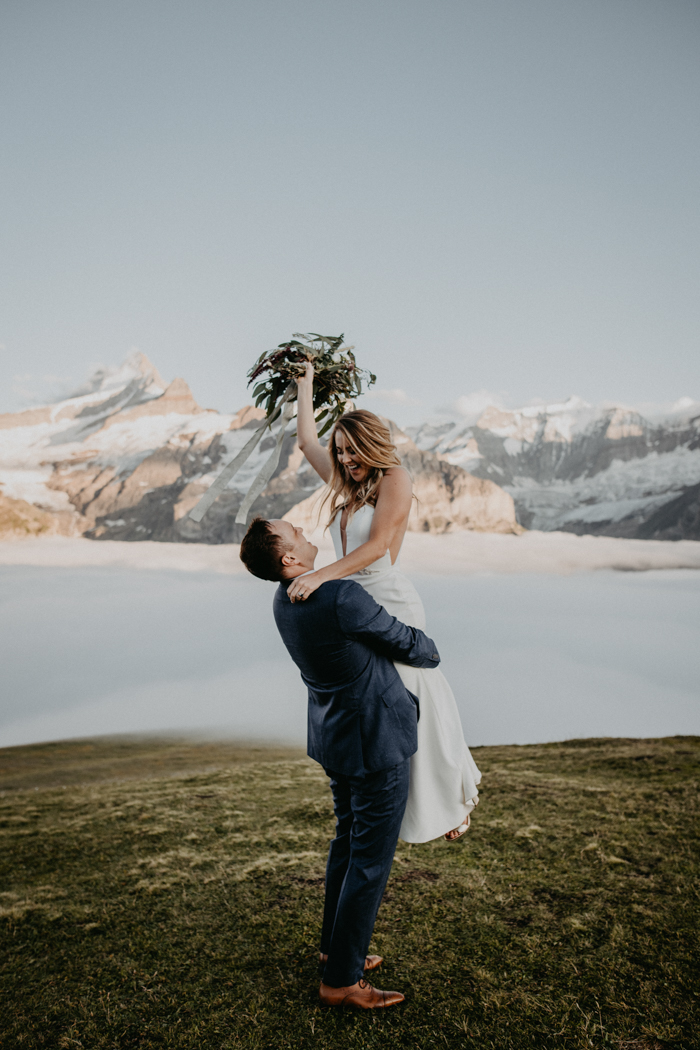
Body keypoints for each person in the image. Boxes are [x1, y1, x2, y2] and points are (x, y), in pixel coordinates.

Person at [239, 516, 442, 1008]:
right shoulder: (339, 597)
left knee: (348, 844)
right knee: (370, 860)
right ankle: (342, 982)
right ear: (289, 559)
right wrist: (429, 646)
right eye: (298, 535)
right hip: (375, 740)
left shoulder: (284, 599)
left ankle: (337, 951)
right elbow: (411, 646)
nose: (310, 536)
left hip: (335, 738)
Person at [286, 363, 481, 843]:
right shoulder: (349, 485)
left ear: (373, 445)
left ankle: (453, 803)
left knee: (416, 702)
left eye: (353, 450)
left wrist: (319, 576)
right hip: (353, 603)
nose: (346, 459)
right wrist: (305, 386)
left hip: (389, 601)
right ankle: (401, 802)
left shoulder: (397, 478)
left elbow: (376, 548)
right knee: (385, 711)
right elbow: (306, 443)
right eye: (342, 452)